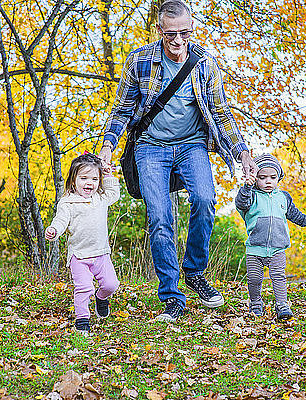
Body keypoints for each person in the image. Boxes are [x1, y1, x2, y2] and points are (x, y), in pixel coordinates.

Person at [98, 0, 256, 322]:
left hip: (192, 144)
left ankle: (195, 272)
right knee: (160, 217)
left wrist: (242, 154)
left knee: (204, 198)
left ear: (192, 27)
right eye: (171, 34)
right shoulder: (140, 60)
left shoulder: (205, 64)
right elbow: (122, 111)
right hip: (150, 146)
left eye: (185, 32)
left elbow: (220, 113)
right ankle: (172, 296)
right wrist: (107, 147)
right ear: (159, 30)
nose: (179, 41)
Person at [235, 153, 306, 321]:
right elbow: (241, 203)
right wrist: (246, 187)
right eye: (262, 177)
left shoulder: (283, 197)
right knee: (254, 279)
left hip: (278, 248)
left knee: (279, 277)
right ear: (255, 177)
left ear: (278, 178)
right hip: (255, 247)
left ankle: (282, 304)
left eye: (272, 177)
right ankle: (255, 304)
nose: (268, 181)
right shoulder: (251, 196)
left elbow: (296, 215)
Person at [45, 153, 120, 334]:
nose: (89, 183)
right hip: (79, 256)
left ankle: (101, 298)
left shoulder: (100, 199)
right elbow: (61, 220)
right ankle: (82, 321)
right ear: (73, 180)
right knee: (84, 287)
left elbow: (113, 194)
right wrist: (54, 230)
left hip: (101, 253)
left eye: (94, 179)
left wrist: (109, 175)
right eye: (84, 178)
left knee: (111, 285)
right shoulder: (68, 202)